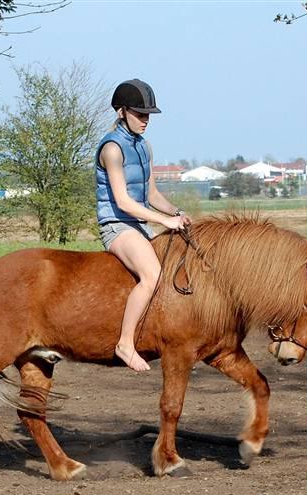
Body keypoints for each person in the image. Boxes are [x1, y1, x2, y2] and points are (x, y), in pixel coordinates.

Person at [96, 79, 192, 372]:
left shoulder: (144, 147)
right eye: (140, 113)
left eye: (148, 114)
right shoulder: (112, 149)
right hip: (117, 226)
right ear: (122, 111)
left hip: (140, 226)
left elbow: (151, 195)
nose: (145, 120)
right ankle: (125, 343)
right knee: (152, 274)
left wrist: (178, 213)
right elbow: (123, 202)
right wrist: (164, 221)